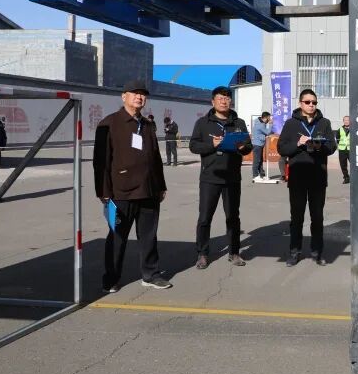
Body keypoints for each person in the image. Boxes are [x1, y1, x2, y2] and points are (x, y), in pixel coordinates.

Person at [93, 80, 171, 292]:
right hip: (121, 191)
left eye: (143, 94)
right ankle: (111, 278)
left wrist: (160, 185)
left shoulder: (147, 125)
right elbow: (100, 161)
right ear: (124, 96)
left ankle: (151, 274)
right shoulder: (109, 123)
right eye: (135, 93)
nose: (139, 97)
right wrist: (103, 191)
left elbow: (155, 157)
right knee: (117, 237)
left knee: (149, 236)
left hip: (148, 190)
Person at [190, 86, 253, 269]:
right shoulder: (203, 123)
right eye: (220, 98)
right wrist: (212, 144)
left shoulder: (238, 123)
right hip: (210, 177)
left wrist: (243, 148)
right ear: (213, 101)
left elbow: (248, 147)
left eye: (227, 98)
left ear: (230, 101)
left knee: (233, 217)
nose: (224, 101)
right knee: (204, 218)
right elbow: (194, 146)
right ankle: (202, 254)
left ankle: (234, 252)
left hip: (232, 178)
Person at [278, 89, 336, 266]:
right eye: (308, 102)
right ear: (300, 103)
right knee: (296, 218)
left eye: (314, 102)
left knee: (317, 218)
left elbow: (332, 147)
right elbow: (282, 148)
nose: (311, 105)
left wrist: (320, 146)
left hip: (318, 178)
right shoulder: (291, 124)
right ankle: (294, 252)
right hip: (297, 178)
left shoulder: (324, 123)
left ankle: (317, 252)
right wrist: (298, 143)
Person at [252, 111, 272, 179]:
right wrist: (271, 124)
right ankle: (255, 175)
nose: (269, 119)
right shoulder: (260, 125)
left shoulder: (259, 122)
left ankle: (262, 175)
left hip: (259, 144)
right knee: (257, 160)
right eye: (269, 118)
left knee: (260, 160)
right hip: (257, 144)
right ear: (265, 118)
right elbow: (267, 132)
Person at [335, 116, 351, 184]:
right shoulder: (340, 129)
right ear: (343, 121)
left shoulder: (354, 129)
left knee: (354, 165)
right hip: (342, 150)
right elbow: (337, 139)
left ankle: (355, 177)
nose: (346, 121)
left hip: (351, 150)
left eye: (348, 120)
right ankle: (346, 178)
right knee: (343, 165)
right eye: (345, 120)